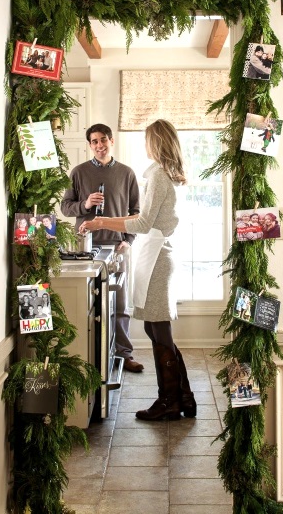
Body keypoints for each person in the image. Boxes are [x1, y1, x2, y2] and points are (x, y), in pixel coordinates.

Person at [80, 119, 196, 421]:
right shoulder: (168, 174)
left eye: (148, 140)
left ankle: (170, 401)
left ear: (156, 142)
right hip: (157, 253)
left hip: (157, 257)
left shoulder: (159, 175)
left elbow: (143, 223)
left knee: (159, 328)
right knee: (155, 327)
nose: (145, 145)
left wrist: (103, 221)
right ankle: (183, 397)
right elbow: (146, 220)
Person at [61, 123, 143, 373]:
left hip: (117, 247)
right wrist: (85, 204)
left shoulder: (127, 173)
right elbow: (65, 208)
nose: (99, 145)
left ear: (111, 141)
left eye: (103, 140)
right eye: (94, 141)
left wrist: (127, 241)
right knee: (86, 304)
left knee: (119, 304)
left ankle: (124, 354)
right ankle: (89, 357)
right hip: (85, 249)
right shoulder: (78, 172)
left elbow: (137, 213)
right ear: (89, 145)